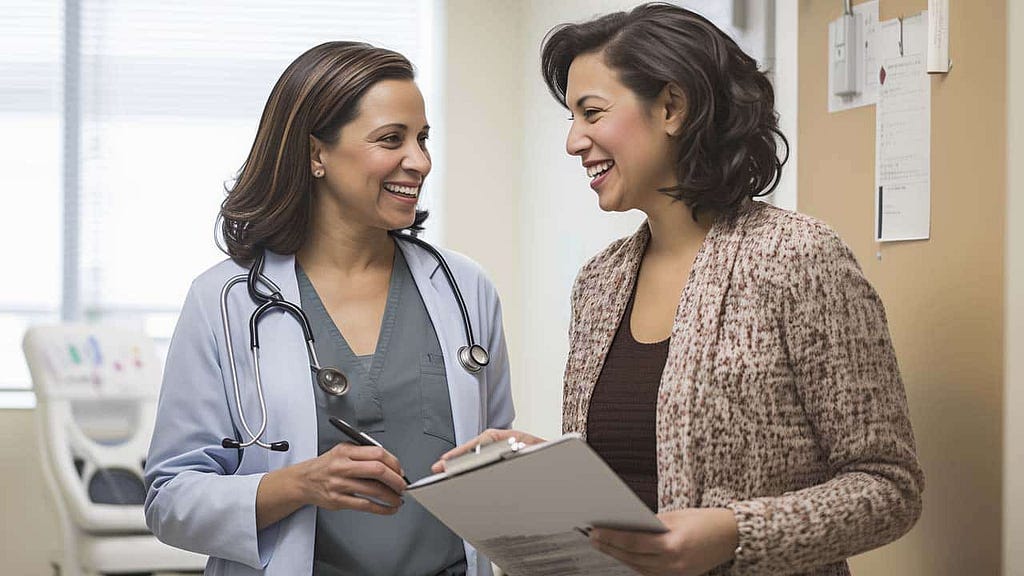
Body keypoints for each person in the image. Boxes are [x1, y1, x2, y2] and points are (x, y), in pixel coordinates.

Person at [436, 4, 923, 575]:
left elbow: (890, 488)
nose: (572, 141)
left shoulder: (798, 259)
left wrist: (735, 533)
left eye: (591, 112)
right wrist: (542, 472)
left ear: (671, 107)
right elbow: (641, 476)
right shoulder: (600, 281)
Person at [144, 41, 514, 576]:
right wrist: (297, 484)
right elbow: (169, 500)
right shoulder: (224, 301)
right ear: (317, 153)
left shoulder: (462, 286)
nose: (420, 161)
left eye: (423, 139)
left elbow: (494, 463)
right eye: (392, 139)